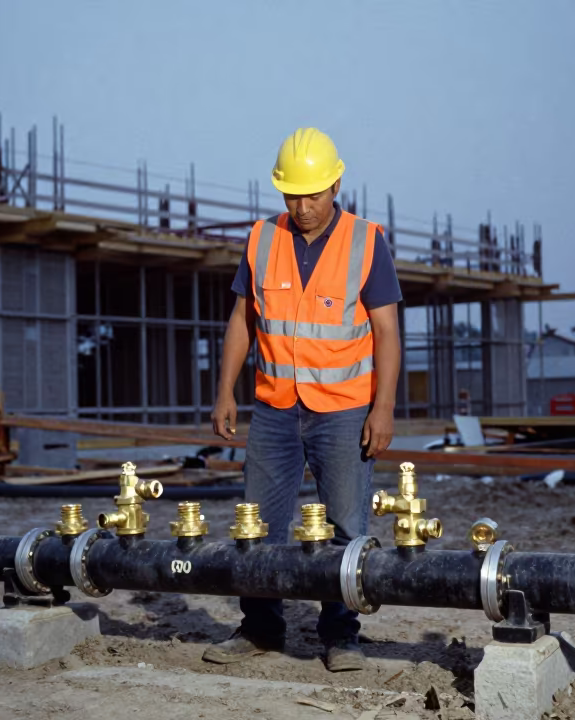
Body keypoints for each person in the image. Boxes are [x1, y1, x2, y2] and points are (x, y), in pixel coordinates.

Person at [202, 127, 402, 672]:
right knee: (258, 524)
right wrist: (225, 391)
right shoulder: (262, 238)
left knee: (345, 525)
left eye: (313, 193)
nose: (303, 205)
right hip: (274, 408)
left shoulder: (366, 241)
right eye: (293, 194)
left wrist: (382, 408)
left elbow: (386, 330)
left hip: (342, 409)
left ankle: (341, 634)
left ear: (336, 184)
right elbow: (243, 321)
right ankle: (261, 628)